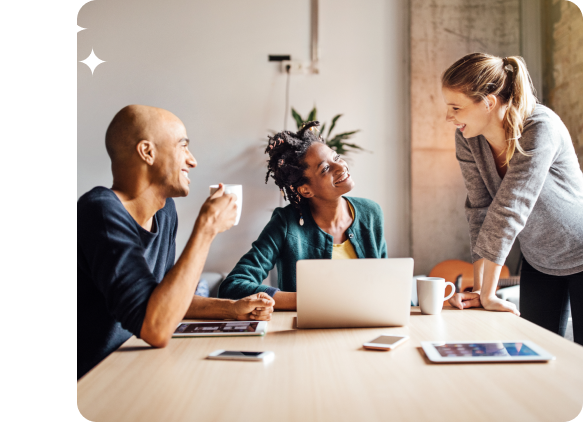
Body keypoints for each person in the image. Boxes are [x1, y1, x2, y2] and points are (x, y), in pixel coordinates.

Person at [77, 105, 275, 379]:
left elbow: (163, 300)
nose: (192, 161)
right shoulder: (100, 211)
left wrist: (231, 309)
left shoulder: (165, 210)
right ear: (147, 152)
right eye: (183, 146)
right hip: (93, 379)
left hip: (134, 367)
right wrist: (206, 228)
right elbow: (156, 328)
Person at [441, 53, 583, 344]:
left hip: (580, 248)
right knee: (534, 353)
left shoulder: (540, 127)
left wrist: (490, 293)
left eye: (456, 107)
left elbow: (510, 208)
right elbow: (480, 210)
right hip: (539, 258)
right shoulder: (468, 137)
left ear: (488, 102)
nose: (448, 117)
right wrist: (482, 292)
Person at [218, 121, 388, 310]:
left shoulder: (371, 213)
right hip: (305, 335)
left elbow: (385, 283)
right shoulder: (286, 224)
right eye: (325, 169)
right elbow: (233, 286)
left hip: (367, 324)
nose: (340, 167)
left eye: (336, 157)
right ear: (306, 190)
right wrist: (305, 301)